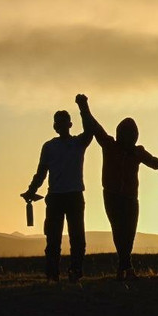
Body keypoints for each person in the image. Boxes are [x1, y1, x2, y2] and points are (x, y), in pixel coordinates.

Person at [77, 94, 158, 281]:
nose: (130, 138)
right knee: (120, 230)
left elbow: (155, 163)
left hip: (130, 197)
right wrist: (84, 107)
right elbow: (95, 126)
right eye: (127, 134)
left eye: (132, 135)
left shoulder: (137, 152)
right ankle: (126, 267)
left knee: (128, 232)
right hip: (112, 196)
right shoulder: (109, 145)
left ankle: (124, 267)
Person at [21, 97, 94, 282]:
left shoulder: (73, 143)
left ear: (68, 124)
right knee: (58, 239)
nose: (60, 126)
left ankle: (66, 272)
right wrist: (31, 190)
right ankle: (59, 273)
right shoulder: (54, 146)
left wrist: (83, 107)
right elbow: (41, 173)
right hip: (60, 197)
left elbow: (90, 130)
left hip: (68, 196)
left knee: (70, 238)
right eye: (58, 123)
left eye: (62, 122)